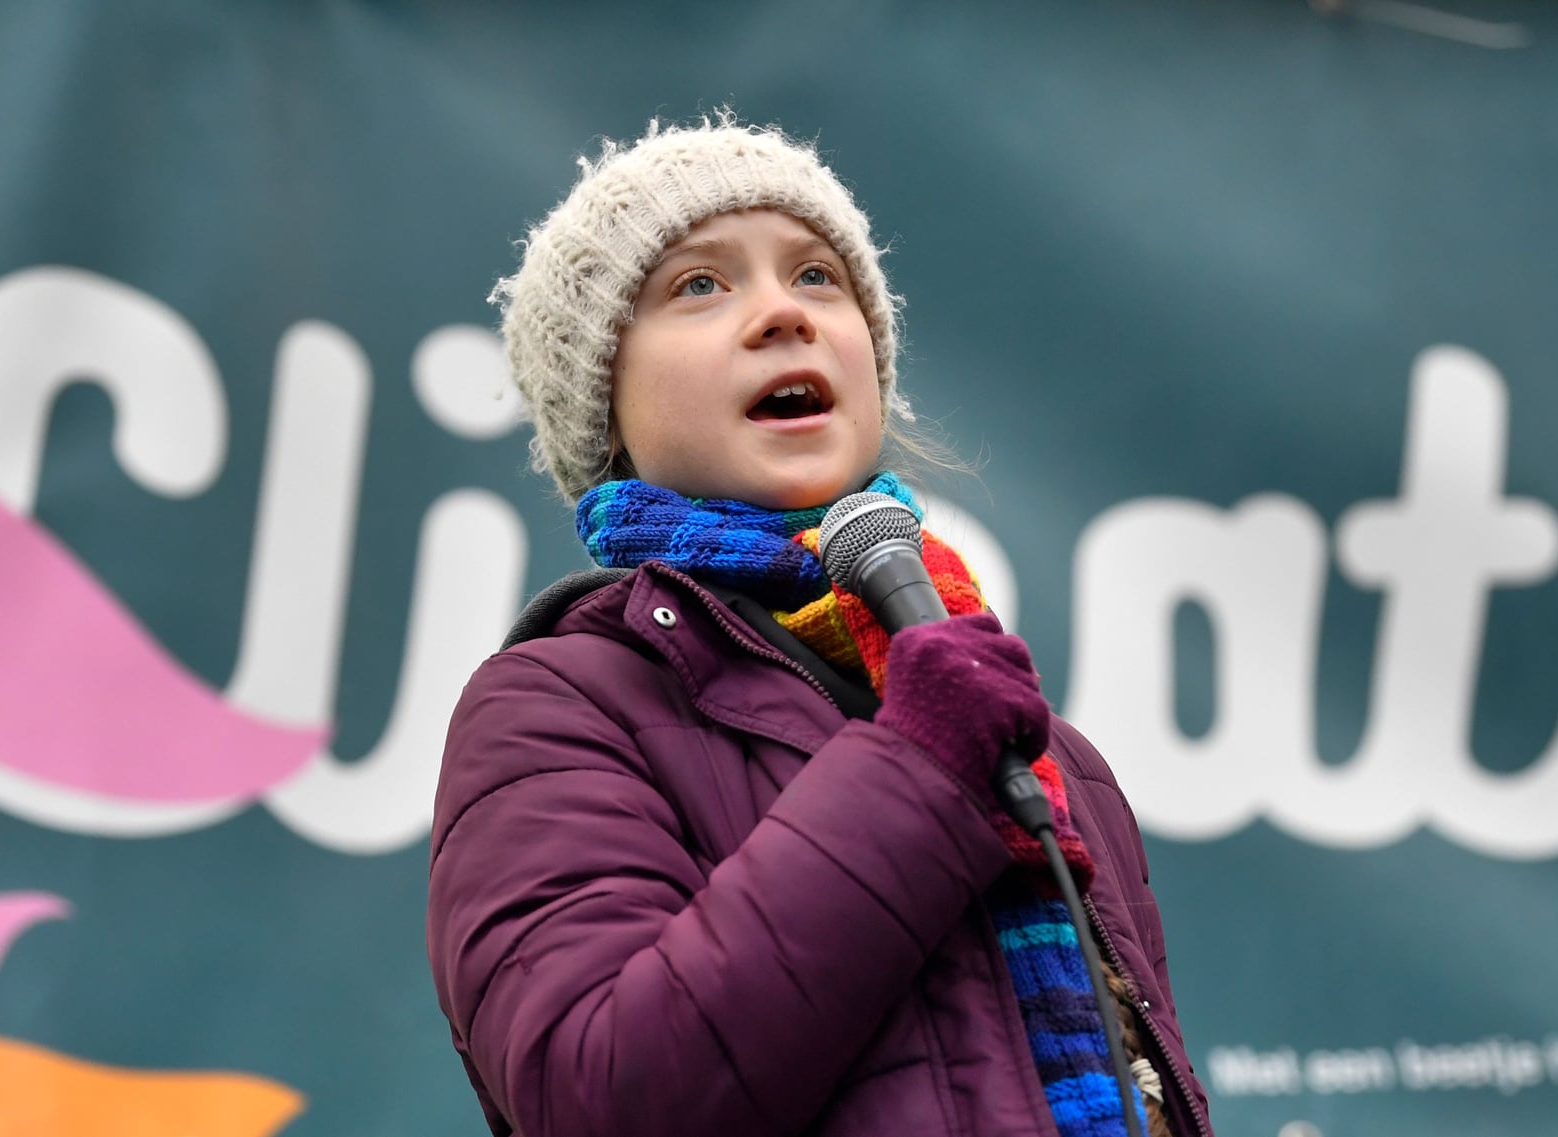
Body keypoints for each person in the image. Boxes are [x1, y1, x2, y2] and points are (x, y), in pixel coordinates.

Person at [426, 115, 1214, 1137]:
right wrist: (920, 777)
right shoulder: (554, 707)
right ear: (602, 408)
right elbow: (595, 1095)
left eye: (816, 277)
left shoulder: (1048, 754)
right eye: (698, 285)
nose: (778, 316)